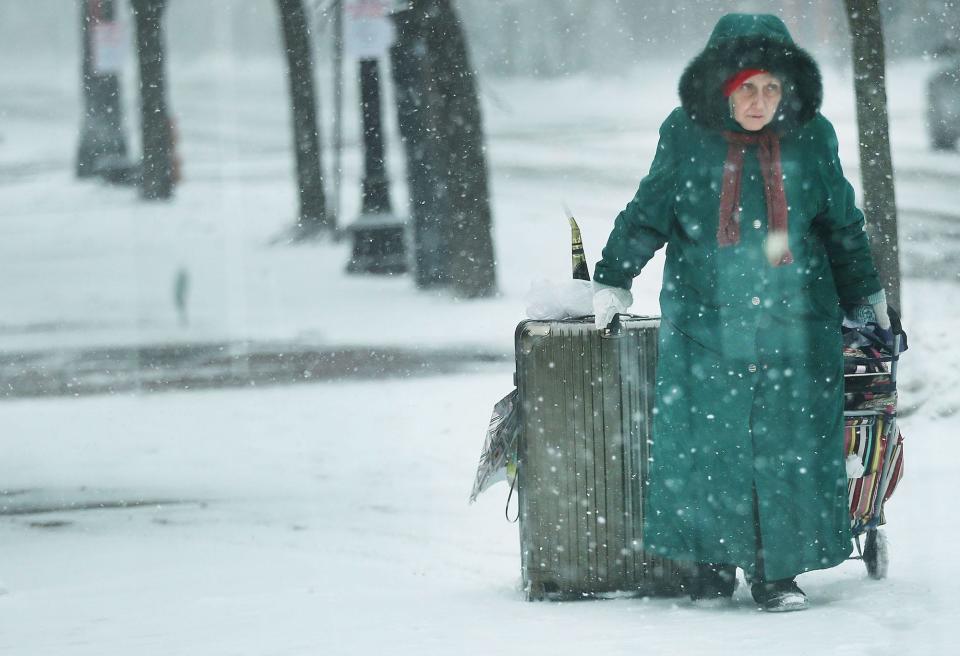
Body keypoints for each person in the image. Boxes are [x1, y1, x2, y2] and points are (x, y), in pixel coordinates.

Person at [592, 14, 893, 612]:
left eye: (771, 88)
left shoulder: (813, 136)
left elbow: (841, 224)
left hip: (796, 320)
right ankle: (710, 562)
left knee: (789, 445)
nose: (759, 102)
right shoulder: (685, 133)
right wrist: (613, 277)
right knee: (710, 443)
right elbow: (649, 209)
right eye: (746, 88)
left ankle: (777, 571)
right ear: (722, 86)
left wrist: (865, 292)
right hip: (706, 318)